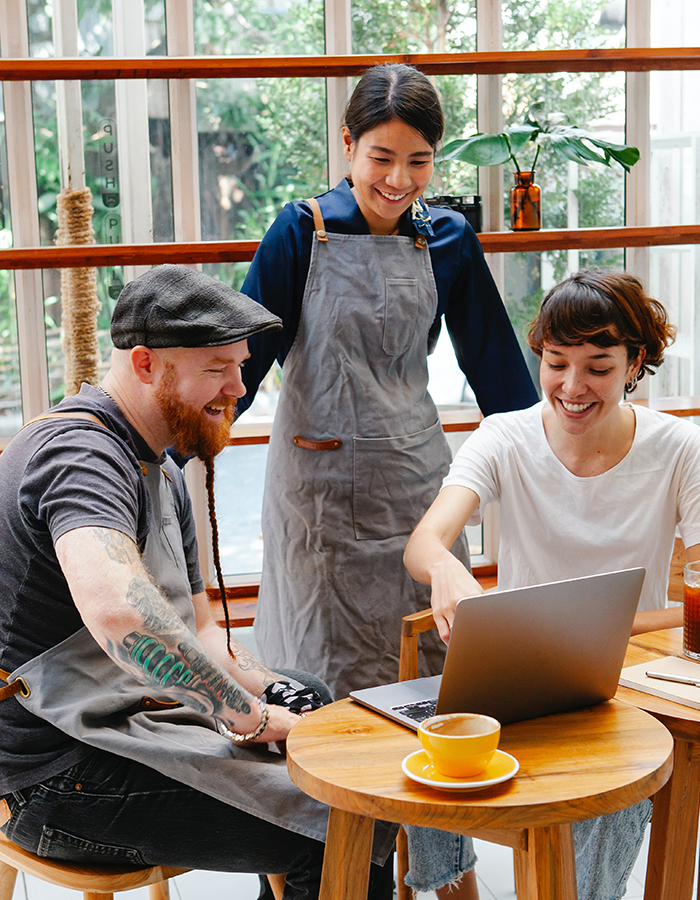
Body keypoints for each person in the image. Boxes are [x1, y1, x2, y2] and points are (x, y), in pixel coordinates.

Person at [0, 265, 395, 900]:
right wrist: (249, 717)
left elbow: (203, 628)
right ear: (146, 364)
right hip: (55, 775)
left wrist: (283, 701)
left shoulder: (155, 461)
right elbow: (121, 616)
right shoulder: (79, 456)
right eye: (218, 368)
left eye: (240, 366)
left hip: (117, 723)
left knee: (314, 696)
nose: (240, 387)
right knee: (341, 819)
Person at [239, 63, 539, 701]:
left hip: (414, 487)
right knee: (318, 671)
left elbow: (498, 371)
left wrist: (552, 459)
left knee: (429, 665)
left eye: (419, 161)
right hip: (313, 496)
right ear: (347, 145)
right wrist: (166, 447)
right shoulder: (301, 232)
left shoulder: (450, 240)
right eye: (381, 157)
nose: (399, 180)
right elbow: (241, 364)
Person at [402, 269, 700, 900]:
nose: (572, 386)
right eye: (556, 362)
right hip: (516, 679)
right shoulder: (504, 436)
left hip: (625, 683)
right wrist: (448, 567)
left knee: (617, 786)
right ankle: (454, 889)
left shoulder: (680, 447)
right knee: (419, 740)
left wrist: (636, 626)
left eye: (597, 366)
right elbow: (425, 543)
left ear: (634, 363)